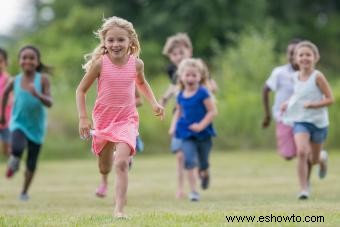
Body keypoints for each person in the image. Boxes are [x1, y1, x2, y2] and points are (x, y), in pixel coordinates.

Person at [76, 16, 164, 218]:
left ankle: (119, 210)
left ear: (130, 42)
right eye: (111, 40)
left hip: (127, 120)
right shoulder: (99, 64)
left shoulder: (137, 64)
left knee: (121, 164)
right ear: (105, 43)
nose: (116, 44)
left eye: (121, 40)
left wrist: (154, 103)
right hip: (103, 121)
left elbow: (141, 84)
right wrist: (83, 117)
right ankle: (109, 168)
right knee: (104, 167)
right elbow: (80, 91)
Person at [281, 41, 334, 200]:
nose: (304, 58)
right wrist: (287, 103)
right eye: (301, 55)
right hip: (301, 120)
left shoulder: (318, 76)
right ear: (296, 59)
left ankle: (322, 158)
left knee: (314, 159)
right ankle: (304, 189)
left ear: (315, 58)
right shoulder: (294, 77)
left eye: (308, 55)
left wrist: (313, 105)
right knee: (302, 152)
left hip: (318, 122)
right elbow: (298, 95)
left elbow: (330, 99)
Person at [0, 45, 53, 201]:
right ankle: (13, 162)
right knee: (16, 147)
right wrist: (2, 115)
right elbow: (4, 95)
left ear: (37, 62)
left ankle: (24, 192)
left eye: (31, 58)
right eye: (24, 57)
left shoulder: (43, 80)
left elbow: (49, 102)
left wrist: (38, 94)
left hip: (37, 127)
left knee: (31, 162)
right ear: (19, 61)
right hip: (18, 122)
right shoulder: (15, 80)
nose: (27, 61)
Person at [169, 58, 217, 202]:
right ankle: (194, 192)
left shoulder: (203, 93)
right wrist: (173, 126)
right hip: (186, 133)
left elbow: (212, 112)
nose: (190, 78)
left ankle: (205, 173)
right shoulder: (180, 95)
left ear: (200, 76)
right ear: (181, 77)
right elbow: (179, 112)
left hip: (203, 134)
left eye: (194, 75)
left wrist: (201, 125)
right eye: (187, 75)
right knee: (189, 161)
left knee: (203, 163)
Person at [95, 89, 144, 198]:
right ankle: (104, 183)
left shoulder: (129, 77)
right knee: (105, 157)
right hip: (107, 122)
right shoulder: (103, 79)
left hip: (125, 123)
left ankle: (120, 197)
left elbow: (140, 100)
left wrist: (124, 105)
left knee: (121, 163)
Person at [161, 33, 192, 199]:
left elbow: (211, 85)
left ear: (189, 51)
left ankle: (200, 173)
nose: (178, 57)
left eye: (181, 52)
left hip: (196, 115)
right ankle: (180, 188)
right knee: (180, 155)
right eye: (174, 54)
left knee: (193, 152)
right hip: (179, 113)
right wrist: (164, 100)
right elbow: (174, 87)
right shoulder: (172, 71)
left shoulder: (197, 68)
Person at [262, 39, 300, 160]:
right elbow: (265, 90)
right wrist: (267, 115)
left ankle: (305, 177)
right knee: (288, 155)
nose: (292, 56)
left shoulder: (310, 74)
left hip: (303, 117)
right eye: (290, 52)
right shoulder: (279, 72)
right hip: (283, 116)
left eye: (295, 52)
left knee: (303, 152)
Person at [0, 48, 12, 157]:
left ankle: (13, 163)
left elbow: (12, 98)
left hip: (6, 119)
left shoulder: (8, 79)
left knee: (6, 149)